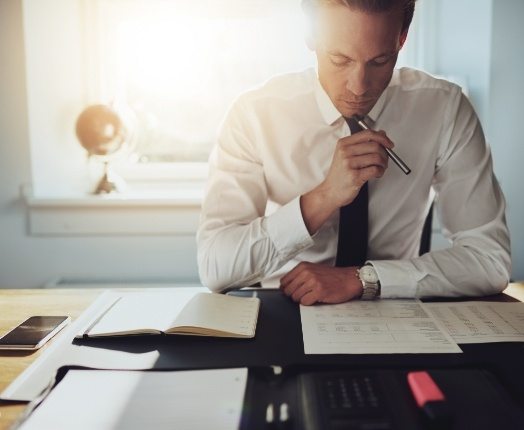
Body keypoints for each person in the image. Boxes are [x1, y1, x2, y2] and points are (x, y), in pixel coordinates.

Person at [196, 0, 511, 305]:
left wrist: (364, 280)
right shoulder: (254, 115)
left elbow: (489, 260)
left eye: (380, 60)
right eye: (339, 59)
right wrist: (323, 197)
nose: (359, 87)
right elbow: (215, 266)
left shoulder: (445, 109)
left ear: (402, 38)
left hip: (394, 310)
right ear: (311, 33)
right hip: (285, 310)